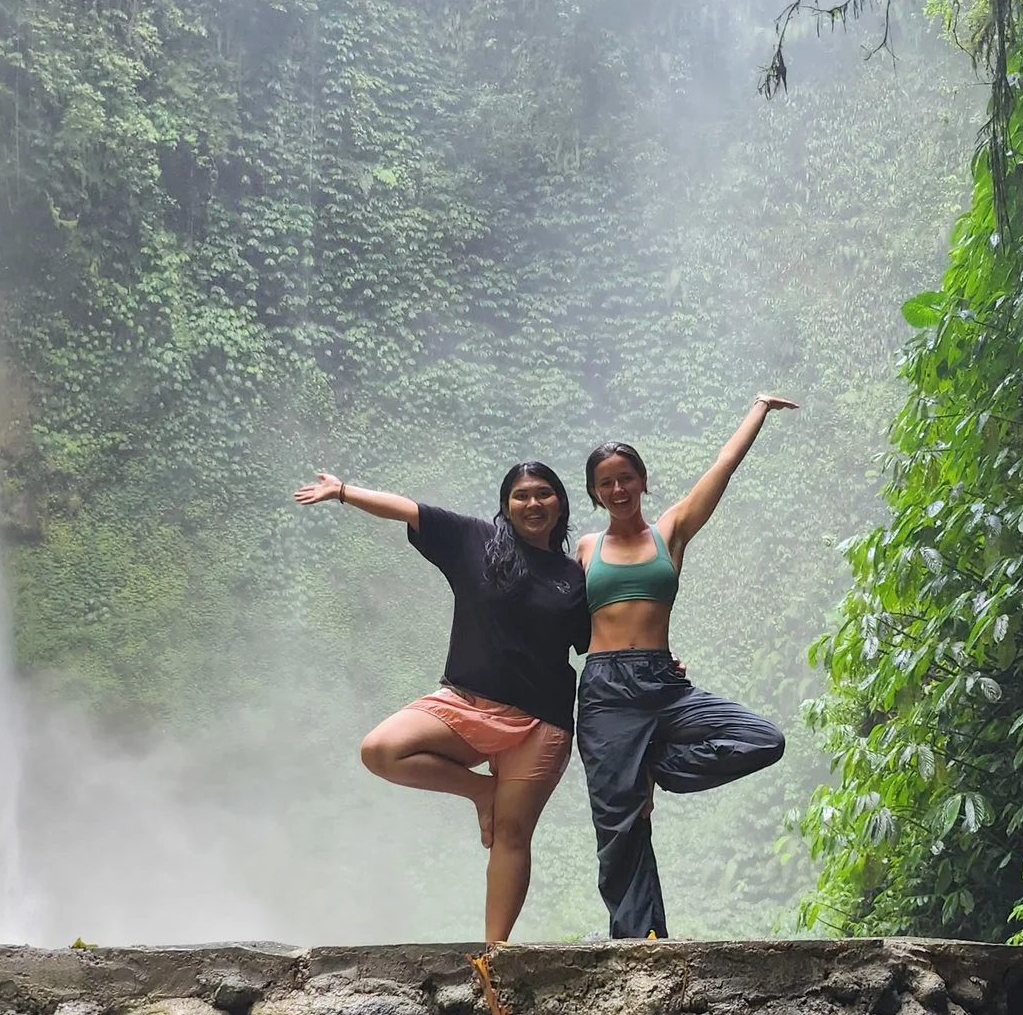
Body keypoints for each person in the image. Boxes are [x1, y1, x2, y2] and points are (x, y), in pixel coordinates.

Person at [293, 462, 587, 943]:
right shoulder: (474, 540)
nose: (532, 503)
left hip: (541, 721)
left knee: (511, 837)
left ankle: (494, 955)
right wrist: (343, 491)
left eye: (544, 494)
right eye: (521, 495)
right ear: (506, 506)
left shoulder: (574, 578)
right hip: (465, 703)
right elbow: (408, 510)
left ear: (560, 504)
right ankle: (482, 792)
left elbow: (603, 639)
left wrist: (660, 657)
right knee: (381, 750)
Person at [574, 396, 794, 938]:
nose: (618, 489)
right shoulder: (583, 548)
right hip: (604, 691)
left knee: (763, 739)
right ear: (595, 492)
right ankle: (640, 941)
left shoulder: (670, 532)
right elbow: (549, 612)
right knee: (620, 825)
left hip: (662, 685)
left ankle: (657, 767)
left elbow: (721, 468)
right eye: (606, 483)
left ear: (643, 481)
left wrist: (757, 411)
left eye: (626, 478)